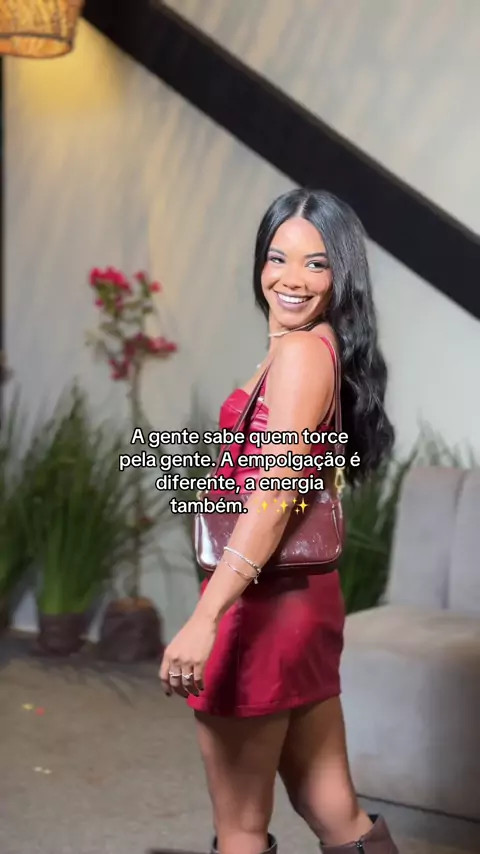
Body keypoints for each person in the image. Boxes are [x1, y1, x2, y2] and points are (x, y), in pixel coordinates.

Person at [159, 189, 399, 854]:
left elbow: (273, 495)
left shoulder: (299, 355)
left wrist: (207, 616)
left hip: (258, 608)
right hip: (305, 603)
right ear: (259, 263)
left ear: (342, 274)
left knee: (239, 827)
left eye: (316, 263)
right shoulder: (315, 346)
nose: (292, 278)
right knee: (335, 810)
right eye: (277, 257)